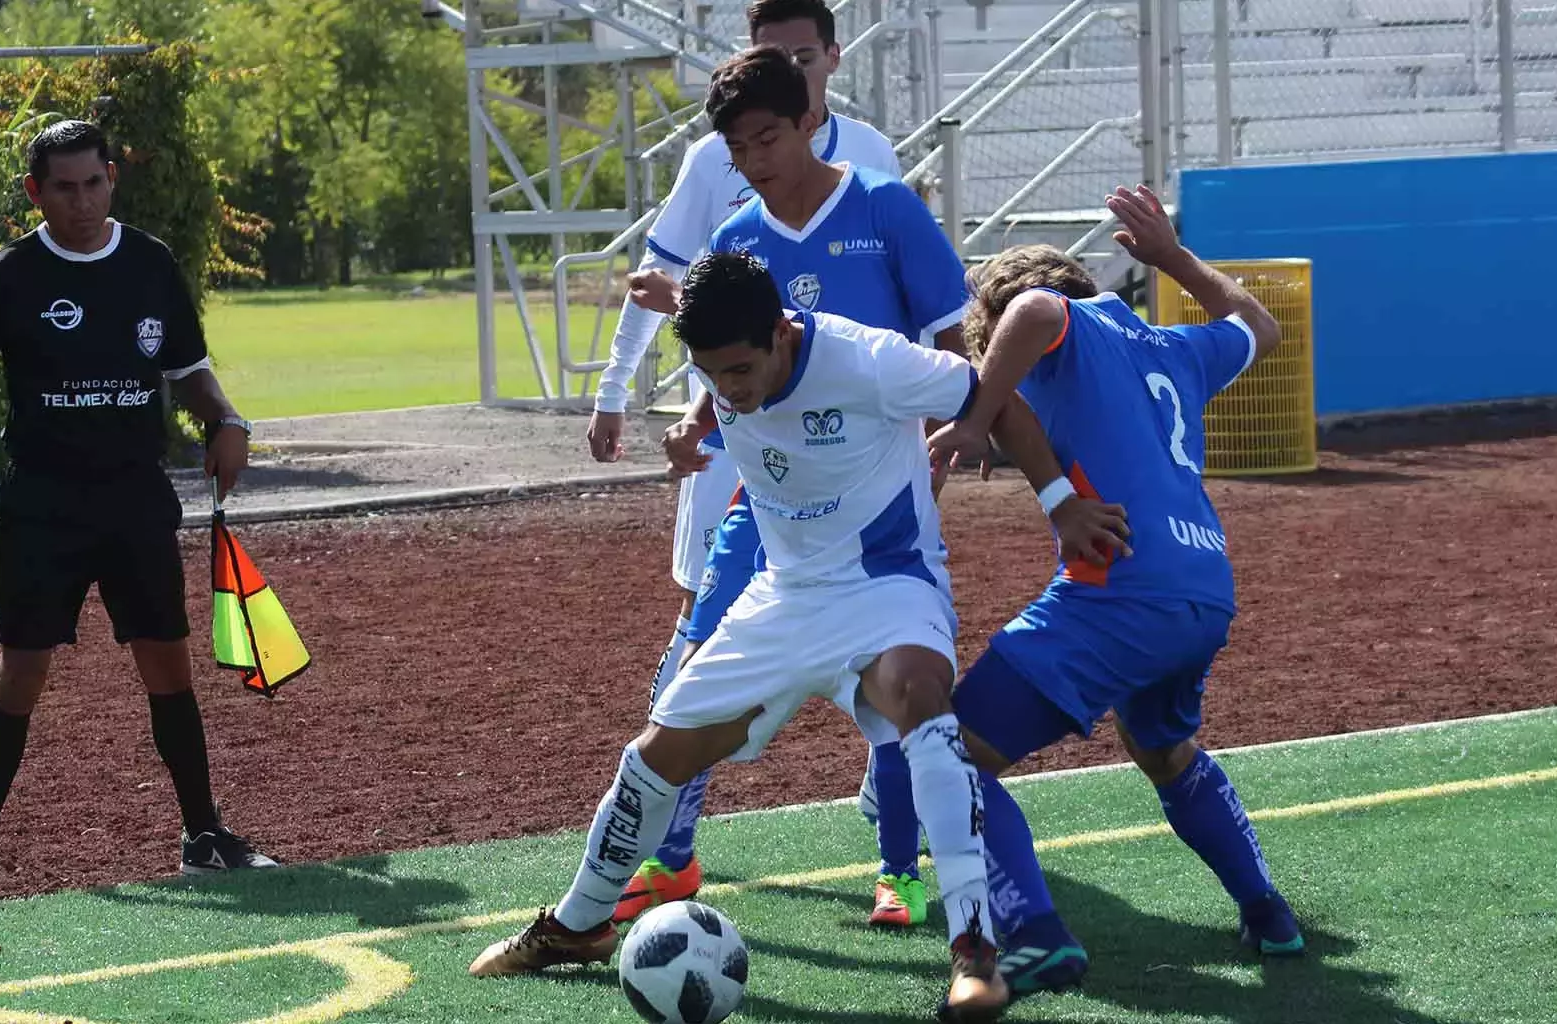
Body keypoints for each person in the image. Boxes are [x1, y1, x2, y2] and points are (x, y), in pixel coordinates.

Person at [470, 251, 1130, 1023]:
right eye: (710, 375)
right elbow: (724, 384)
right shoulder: (729, 356)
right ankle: (577, 927)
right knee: (655, 757)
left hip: (887, 587)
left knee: (925, 704)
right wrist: (694, 423)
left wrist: (1059, 502)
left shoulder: (870, 360)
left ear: (784, 332)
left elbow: (994, 396)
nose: (729, 388)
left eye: (741, 369)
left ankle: (975, 952)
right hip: (781, 597)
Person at [925, 186, 1305, 999]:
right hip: (1204, 586)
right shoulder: (1170, 346)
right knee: (1164, 751)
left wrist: (976, 412)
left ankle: (1034, 934)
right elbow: (1262, 327)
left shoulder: (1058, 327)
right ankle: (1268, 912)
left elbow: (1030, 311)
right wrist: (1171, 257)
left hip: (1122, 590)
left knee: (950, 755)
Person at [581, 0, 911, 926]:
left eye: (800, 59)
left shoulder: (874, 169)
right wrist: (621, 392)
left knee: (881, 655)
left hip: (852, 461)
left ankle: (901, 840)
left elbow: (908, 332)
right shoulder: (715, 168)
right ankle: (673, 857)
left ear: (829, 63)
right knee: (698, 649)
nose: (787, 75)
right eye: (768, 59)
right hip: (738, 449)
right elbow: (678, 277)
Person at [0, 119, 277, 906]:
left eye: (93, 182)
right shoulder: (6, 278)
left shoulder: (150, 263)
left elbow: (188, 369)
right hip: (44, 502)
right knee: (22, 671)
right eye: (63, 187)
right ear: (35, 192)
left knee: (167, 662)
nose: (81, 201)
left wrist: (227, 421)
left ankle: (202, 835)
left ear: (111, 178)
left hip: (134, 495)